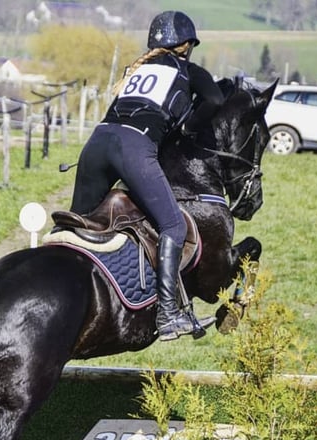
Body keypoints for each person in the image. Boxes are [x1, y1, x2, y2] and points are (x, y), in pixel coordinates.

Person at [68, 11, 225, 341]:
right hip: (132, 147)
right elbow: (215, 100)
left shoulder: (135, 69)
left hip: (97, 143)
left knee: (76, 223)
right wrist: (188, 127)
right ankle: (168, 315)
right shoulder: (189, 71)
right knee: (173, 225)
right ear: (185, 45)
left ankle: (56, 281)